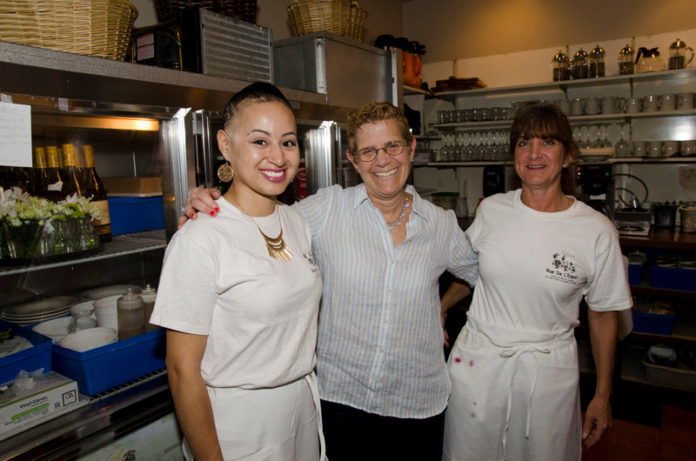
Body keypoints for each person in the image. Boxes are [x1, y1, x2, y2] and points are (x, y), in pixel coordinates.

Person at [181, 101, 478, 460]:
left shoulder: (441, 225)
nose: (382, 160)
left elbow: (480, 275)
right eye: (368, 151)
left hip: (417, 403)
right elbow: (258, 221)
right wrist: (212, 202)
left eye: (392, 147)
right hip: (340, 402)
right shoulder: (325, 211)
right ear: (353, 161)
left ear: (410, 148)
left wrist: (443, 307)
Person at [442, 102, 632, 461]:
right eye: (523, 142)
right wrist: (440, 307)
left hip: (546, 373)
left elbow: (604, 314)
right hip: (478, 363)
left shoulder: (596, 231)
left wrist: (603, 395)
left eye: (547, 142)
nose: (533, 153)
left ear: (568, 155)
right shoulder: (493, 210)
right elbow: (473, 273)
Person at [150, 82, 325, 461]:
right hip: (239, 424)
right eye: (260, 141)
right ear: (225, 145)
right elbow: (181, 369)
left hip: (303, 410)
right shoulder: (200, 237)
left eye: (289, 142)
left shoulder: (296, 221)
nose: (278, 157)